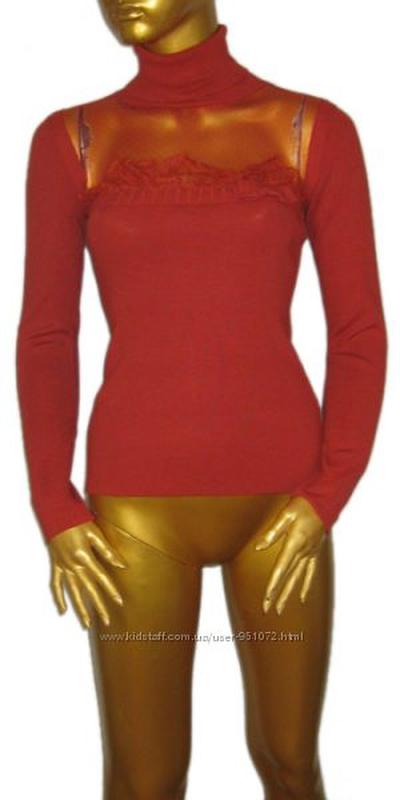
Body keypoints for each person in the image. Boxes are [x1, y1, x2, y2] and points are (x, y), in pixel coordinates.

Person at [16, 1, 387, 798]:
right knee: (142, 781)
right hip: (134, 509)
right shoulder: (73, 141)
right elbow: (47, 335)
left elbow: (358, 332)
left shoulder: (307, 130)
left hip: (283, 505)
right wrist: (53, 502)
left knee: (290, 763)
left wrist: (329, 492)